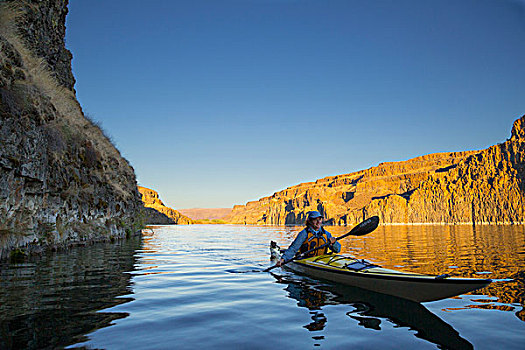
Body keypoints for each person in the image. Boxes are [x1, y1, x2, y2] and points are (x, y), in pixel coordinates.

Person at [275, 211, 341, 267]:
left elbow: (337, 250)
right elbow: (293, 248)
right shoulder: (304, 233)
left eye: (320, 219)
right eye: (315, 220)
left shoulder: (326, 234)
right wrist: (283, 259)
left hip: (322, 261)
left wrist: (334, 243)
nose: (318, 222)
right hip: (306, 260)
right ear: (309, 221)